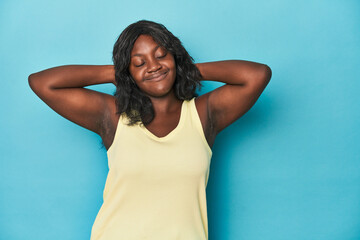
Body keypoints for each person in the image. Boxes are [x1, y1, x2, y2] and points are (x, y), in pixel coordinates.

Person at [28, 19, 272, 240]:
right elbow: (42, 83)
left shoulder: (203, 114)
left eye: (161, 55)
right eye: (139, 62)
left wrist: (182, 67)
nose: (153, 66)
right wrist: (118, 73)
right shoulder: (113, 116)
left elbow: (257, 75)